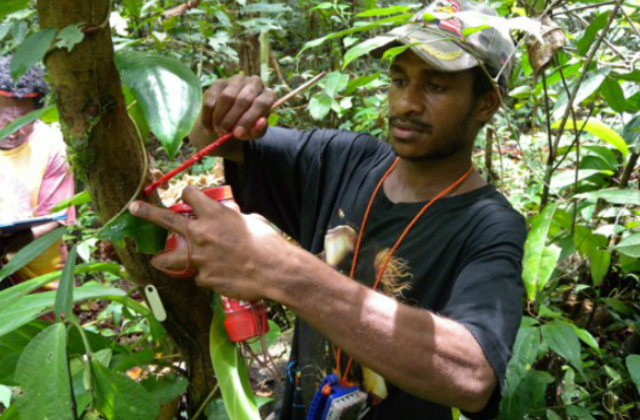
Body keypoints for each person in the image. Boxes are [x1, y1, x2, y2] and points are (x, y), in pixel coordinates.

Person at [130, 1, 526, 419]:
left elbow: (472, 377)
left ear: (486, 103)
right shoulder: (347, 160)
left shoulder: (489, 226)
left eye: (436, 86)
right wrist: (219, 108)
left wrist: (281, 271)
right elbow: (216, 138)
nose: (406, 103)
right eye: (398, 79)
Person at [0, 56, 76, 288]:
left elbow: (58, 218)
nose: (13, 131)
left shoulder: (52, 147)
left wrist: (11, 244)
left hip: (40, 279)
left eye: (24, 121)